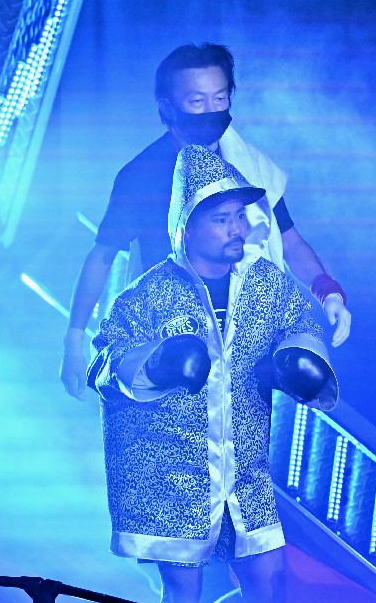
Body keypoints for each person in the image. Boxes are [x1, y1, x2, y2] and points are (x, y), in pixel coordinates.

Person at [88, 144, 339, 603]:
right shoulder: (149, 293)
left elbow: (301, 324)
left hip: (243, 470)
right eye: (222, 218)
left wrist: (299, 357)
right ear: (185, 226)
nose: (238, 229)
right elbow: (104, 366)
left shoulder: (265, 282)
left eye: (240, 216)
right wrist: (157, 364)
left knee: (269, 591)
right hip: (168, 474)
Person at [62, 42, 351, 399]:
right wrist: (74, 340)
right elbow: (101, 257)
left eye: (220, 98)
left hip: (245, 340)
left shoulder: (252, 166)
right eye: (197, 101)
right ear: (167, 107)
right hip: (172, 341)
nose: (211, 110)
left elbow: (290, 241)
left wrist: (328, 293)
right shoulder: (141, 175)